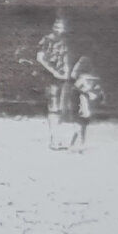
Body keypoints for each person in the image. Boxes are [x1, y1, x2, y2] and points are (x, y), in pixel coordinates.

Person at [36, 14, 74, 150]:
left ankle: (60, 139)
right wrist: (53, 72)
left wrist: (67, 72)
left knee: (62, 108)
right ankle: (54, 139)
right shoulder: (46, 40)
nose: (59, 29)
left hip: (63, 78)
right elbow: (40, 58)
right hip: (50, 77)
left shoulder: (64, 41)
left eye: (62, 27)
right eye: (57, 26)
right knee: (53, 108)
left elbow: (66, 58)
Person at [68, 55, 105, 153]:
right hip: (82, 104)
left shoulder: (80, 79)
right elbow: (95, 91)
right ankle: (76, 145)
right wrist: (93, 94)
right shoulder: (90, 79)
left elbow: (78, 89)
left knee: (80, 126)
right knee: (80, 126)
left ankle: (77, 145)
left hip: (81, 104)